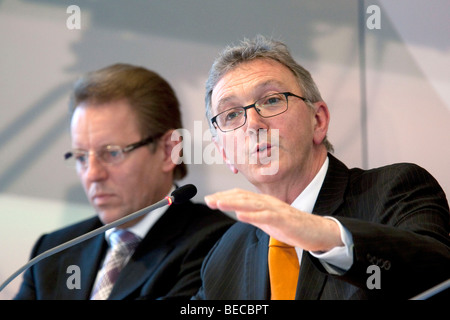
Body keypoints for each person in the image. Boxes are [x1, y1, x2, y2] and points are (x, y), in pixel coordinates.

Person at [193, 35, 450, 300]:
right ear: (224, 153)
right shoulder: (225, 254)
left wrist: (322, 234)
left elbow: (439, 276)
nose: (253, 124)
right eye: (231, 114)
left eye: (271, 99)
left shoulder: (396, 189)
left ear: (318, 120)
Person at [14, 63, 234, 300]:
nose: (92, 174)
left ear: (168, 150)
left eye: (112, 153)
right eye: (81, 157)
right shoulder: (53, 252)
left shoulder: (216, 244)